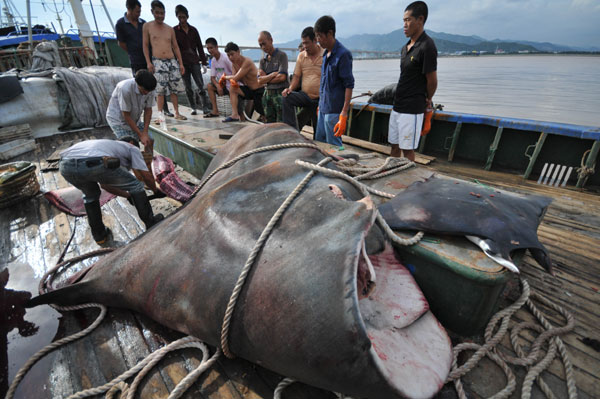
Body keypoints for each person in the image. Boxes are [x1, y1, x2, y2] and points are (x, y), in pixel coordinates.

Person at [59, 137, 164, 244]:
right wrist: (156, 191)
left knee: (90, 195)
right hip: (92, 162)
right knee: (136, 186)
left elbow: (105, 185)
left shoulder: (106, 146)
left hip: (65, 165)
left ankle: (100, 236)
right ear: (131, 142)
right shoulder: (132, 148)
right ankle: (151, 223)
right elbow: (146, 176)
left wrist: (128, 196)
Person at [388, 1, 437, 161]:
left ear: (420, 19)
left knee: (407, 150)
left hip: (412, 109)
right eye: (403, 20)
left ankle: (409, 183)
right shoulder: (406, 47)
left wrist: (428, 99)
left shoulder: (427, 46)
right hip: (398, 105)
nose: (405, 24)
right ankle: (392, 174)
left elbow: (432, 80)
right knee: (394, 145)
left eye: (408, 20)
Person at [116, 0, 173, 116]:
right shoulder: (121, 24)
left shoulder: (144, 24)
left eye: (140, 11)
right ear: (129, 10)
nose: (139, 14)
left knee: (157, 84)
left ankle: (163, 109)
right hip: (136, 60)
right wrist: (133, 51)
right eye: (137, 11)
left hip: (150, 59)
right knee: (140, 86)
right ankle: (141, 110)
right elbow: (121, 43)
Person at [314, 15, 354, 147]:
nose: (318, 40)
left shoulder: (343, 55)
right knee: (320, 142)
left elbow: (349, 85)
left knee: (334, 146)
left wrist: (344, 113)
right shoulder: (325, 54)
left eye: (320, 36)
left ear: (330, 33)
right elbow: (323, 83)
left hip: (334, 111)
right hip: (323, 108)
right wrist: (320, 104)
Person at [142, 0, 187, 120]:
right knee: (160, 90)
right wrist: (148, 62)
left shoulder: (169, 29)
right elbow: (145, 45)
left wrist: (180, 63)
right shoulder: (147, 26)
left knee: (175, 89)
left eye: (162, 13)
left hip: (172, 61)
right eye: (157, 13)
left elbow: (176, 46)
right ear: (152, 12)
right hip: (158, 61)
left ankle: (177, 113)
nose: (160, 16)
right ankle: (160, 115)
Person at [282, 26, 323, 131]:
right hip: (306, 96)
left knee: (318, 132)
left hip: (321, 99)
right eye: (303, 43)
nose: (304, 46)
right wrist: (290, 89)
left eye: (307, 43)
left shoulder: (325, 55)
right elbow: (296, 76)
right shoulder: (301, 56)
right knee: (287, 97)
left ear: (315, 40)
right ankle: (292, 130)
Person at [173, 4, 211, 116]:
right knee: (187, 87)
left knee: (200, 85)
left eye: (184, 17)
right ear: (177, 17)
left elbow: (199, 46)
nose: (182, 20)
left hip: (194, 61)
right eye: (180, 17)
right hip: (183, 63)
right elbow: (174, 47)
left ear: (187, 16)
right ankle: (193, 107)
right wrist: (177, 62)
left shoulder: (194, 30)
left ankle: (205, 108)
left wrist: (204, 63)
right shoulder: (174, 31)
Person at [106, 69, 156, 151]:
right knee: (131, 147)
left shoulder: (150, 89)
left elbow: (148, 110)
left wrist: (145, 132)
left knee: (149, 140)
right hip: (119, 121)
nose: (146, 93)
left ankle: (148, 163)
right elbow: (126, 115)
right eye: (144, 90)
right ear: (137, 84)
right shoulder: (125, 89)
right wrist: (140, 135)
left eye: (148, 91)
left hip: (134, 119)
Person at [221, 42, 265, 122]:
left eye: (232, 54)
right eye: (228, 55)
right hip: (249, 90)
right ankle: (235, 115)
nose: (230, 57)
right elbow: (234, 81)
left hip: (259, 90)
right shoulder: (234, 64)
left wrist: (224, 77)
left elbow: (234, 78)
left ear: (238, 52)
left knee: (262, 116)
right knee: (233, 88)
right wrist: (224, 82)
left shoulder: (247, 61)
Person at [257, 31, 289, 123]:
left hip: (280, 93)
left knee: (281, 122)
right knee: (269, 122)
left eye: (264, 44)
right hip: (267, 94)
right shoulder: (262, 61)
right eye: (260, 45)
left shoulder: (282, 56)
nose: (263, 47)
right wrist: (272, 75)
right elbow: (259, 81)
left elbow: (282, 77)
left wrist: (265, 78)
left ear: (271, 40)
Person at [204, 37, 233, 117]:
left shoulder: (225, 58)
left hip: (231, 84)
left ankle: (235, 113)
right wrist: (217, 85)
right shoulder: (213, 61)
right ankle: (215, 110)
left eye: (211, 48)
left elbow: (234, 72)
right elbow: (212, 77)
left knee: (232, 88)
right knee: (209, 86)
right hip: (222, 85)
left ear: (216, 47)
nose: (209, 50)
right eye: (208, 48)